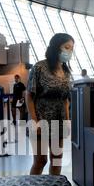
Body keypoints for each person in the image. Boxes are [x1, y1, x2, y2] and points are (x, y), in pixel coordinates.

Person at [26, 33, 74, 175]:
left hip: (58, 121)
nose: (69, 51)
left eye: (71, 48)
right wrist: (35, 121)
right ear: (56, 47)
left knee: (57, 158)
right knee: (41, 160)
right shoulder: (40, 67)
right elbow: (29, 96)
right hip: (41, 120)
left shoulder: (66, 71)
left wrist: (66, 120)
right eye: (67, 47)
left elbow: (65, 99)